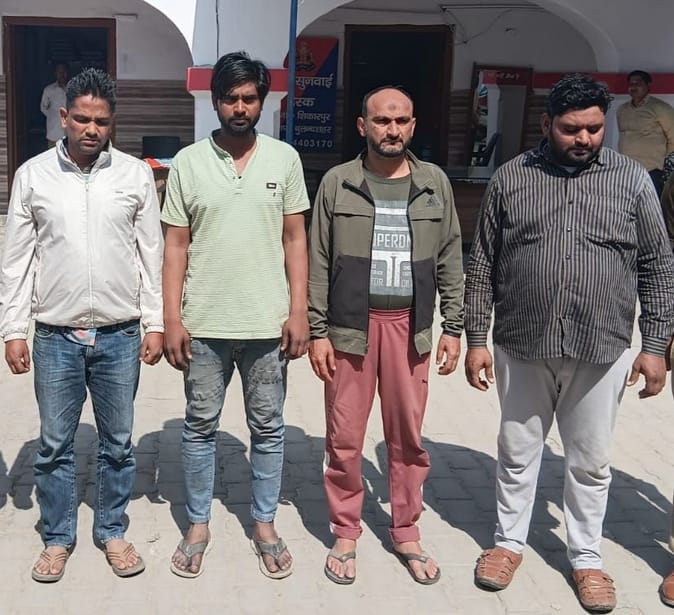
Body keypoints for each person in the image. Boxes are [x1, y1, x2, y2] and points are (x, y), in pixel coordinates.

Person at [464, 74, 674, 613]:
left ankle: (585, 557)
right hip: (522, 342)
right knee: (517, 453)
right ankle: (508, 543)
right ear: (546, 124)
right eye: (571, 129)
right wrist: (475, 337)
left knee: (591, 462)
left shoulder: (632, 181)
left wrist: (654, 345)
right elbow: (483, 262)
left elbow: (657, 266)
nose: (584, 139)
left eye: (594, 129)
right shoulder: (513, 178)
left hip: (602, 347)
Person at [0, 68, 164, 582]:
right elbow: (17, 260)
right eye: (82, 119)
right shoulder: (32, 176)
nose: (92, 129)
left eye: (102, 121)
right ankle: (57, 537)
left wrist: (155, 323)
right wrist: (14, 329)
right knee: (53, 445)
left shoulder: (135, 176)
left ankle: (112, 530)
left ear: (113, 123)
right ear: (63, 116)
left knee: (118, 443)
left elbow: (151, 255)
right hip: (55, 336)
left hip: (120, 334)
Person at [161, 51, 309, 580]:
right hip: (205, 324)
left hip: (268, 325)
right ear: (215, 101)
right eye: (230, 98)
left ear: (263, 102)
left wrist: (298, 311)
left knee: (267, 428)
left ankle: (264, 523)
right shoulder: (188, 162)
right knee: (200, 427)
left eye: (249, 98)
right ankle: (198, 524)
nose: (240, 108)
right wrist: (172, 319)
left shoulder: (284, 160)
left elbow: (295, 239)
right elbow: (175, 245)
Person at [308, 85, 464, 585]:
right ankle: (346, 530)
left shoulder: (434, 183)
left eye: (400, 121)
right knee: (345, 437)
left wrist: (454, 326)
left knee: (407, 437)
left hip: (410, 330)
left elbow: (450, 255)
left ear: (412, 126)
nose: (391, 130)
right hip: (350, 330)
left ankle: (406, 529)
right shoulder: (338, 183)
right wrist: (317, 331)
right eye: (381, 120)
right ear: (363, 126)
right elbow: (318, 260)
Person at [617, 69, 674, 196]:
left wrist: (662, 161)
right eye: (631, 84)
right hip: (626, 170)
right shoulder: (622, 109)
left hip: (651, 171)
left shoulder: (660, 108)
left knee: (651, 206)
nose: (633, 87)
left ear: (648, 85)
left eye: (638, 83)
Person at [40, 62, 68, 148]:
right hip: (53, 132)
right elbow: (43, 108)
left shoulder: (72, 89)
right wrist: (53, 116)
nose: (62, 74)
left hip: (69, 133)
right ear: (55, 73)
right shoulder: (49, 90)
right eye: (59, 72)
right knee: (52, 154)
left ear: (67, 73)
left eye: (64, 72)